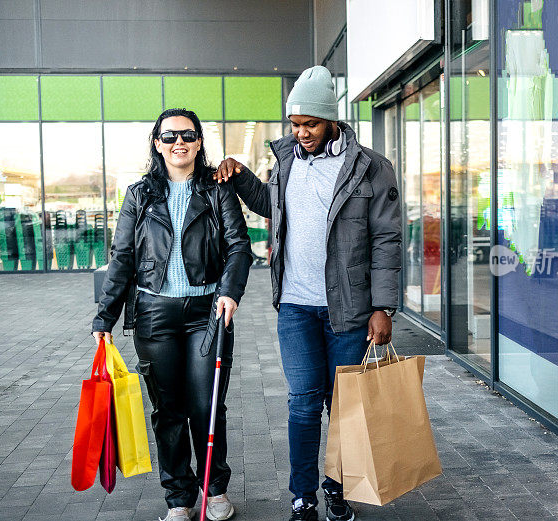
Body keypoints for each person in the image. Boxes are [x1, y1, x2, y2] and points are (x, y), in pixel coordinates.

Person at [215, 65, 401, 521]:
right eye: (296, 125)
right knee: (302, 403)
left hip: (350, 310)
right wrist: (239, 176)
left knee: (340, 406)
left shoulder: (371, 168)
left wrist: (384, 307)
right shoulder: (286, 161)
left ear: (331, 120)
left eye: (310, 124)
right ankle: (303, 497)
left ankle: (335, 489)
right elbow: (270, 205)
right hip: (296, 306)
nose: (302, 133)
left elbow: (387, 239)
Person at [92, 108, 252, 521]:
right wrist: (104, 318)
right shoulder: (139, 194)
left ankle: (215, 490)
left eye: (187, 135)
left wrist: (230, 292)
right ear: (157, 144)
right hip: (154, 315)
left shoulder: (218, 191)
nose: (178, 142)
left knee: (207, 406)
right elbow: (122, 257)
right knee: (168, 411)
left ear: (199, 142)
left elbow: (238, 246)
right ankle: (178, 498)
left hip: (208, 314)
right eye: (169, 137)